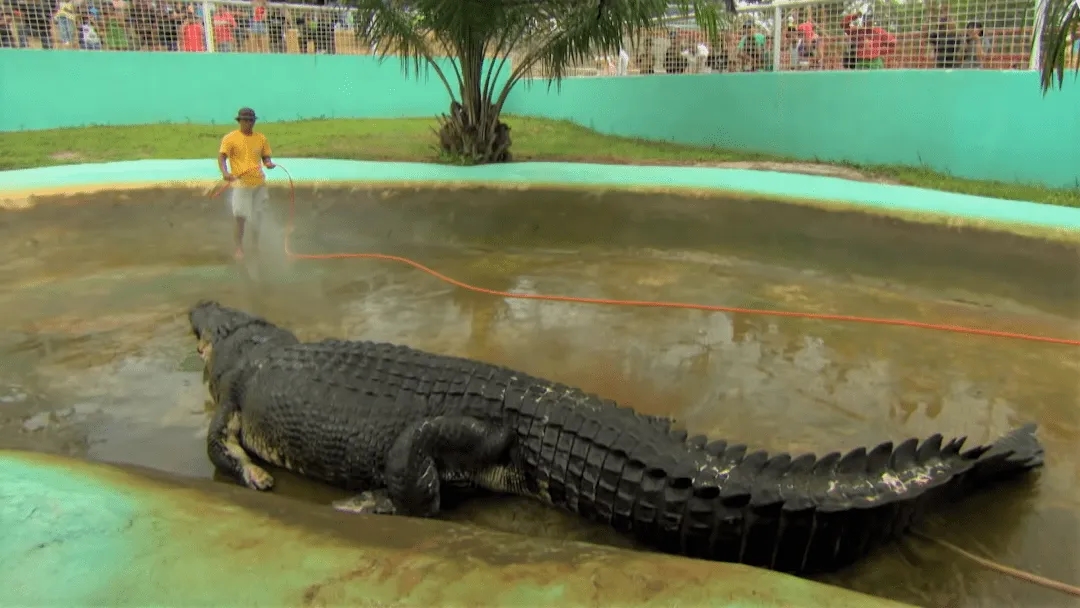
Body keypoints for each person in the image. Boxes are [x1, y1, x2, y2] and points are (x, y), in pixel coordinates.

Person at [218, 107, 275, 260]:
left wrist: (268, 163)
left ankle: (255, 245)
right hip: (241, 183)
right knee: (241, 217)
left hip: (259, 183)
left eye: (251, 120)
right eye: (246, 120)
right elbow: (222, 157)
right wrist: (225, 173)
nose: (249, 123)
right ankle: (239, 248)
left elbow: (266, 156)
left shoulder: (261, 138)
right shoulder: (230, 138)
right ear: (240, 121)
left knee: (258, 215)